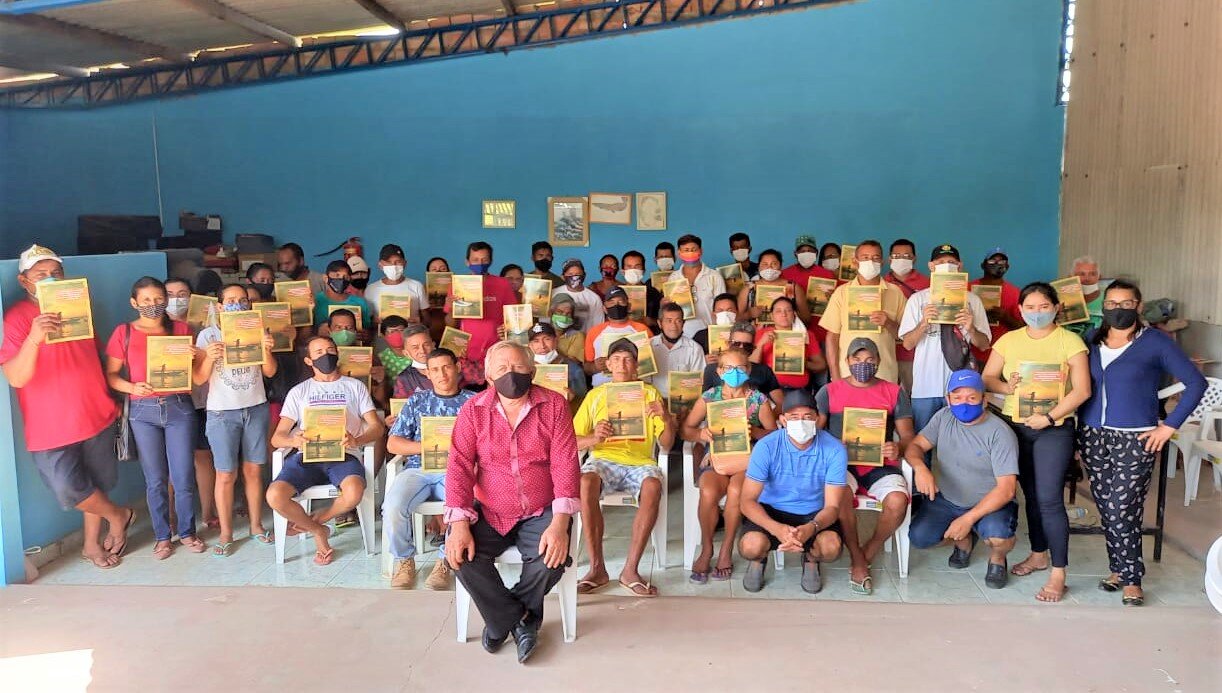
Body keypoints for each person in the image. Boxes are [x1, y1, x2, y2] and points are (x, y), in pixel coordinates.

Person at [444, 341, 580, 664]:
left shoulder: (554, 405)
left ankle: (500, 621)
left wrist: (560, 524)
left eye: (518, 367)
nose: (511, 374)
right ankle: (518, 621)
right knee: (459, 556)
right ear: (489, 377)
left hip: (540, 510)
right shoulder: (473, 411)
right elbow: (459, 466)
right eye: (502, 369)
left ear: (532, 371)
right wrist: (459, 525)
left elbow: (565, 463)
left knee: (552, 560)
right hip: (491, 510)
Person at [0, 246, 130, 568]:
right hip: (50, 425)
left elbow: (94, 357)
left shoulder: (78, 306)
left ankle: (90, 545)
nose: (49, 279)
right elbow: (16, 377)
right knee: (69, 489)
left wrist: (110, 398)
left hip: (95, 411)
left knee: (96, 485)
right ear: (24, 281)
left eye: (55, 273)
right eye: (40, 275)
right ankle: (120, 515)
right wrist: (34, 337)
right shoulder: (17, 318)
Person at [1078, 280, 1206, 606]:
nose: (1118, 309)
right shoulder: (1091, 340)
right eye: (1112, 303)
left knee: (1123, 507)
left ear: (1138, 305)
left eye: (1126, 303)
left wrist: (1169, 427)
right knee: (1107, 506)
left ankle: (1132, 578)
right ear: (1103, 307)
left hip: (1136, 436)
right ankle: (1118, 570)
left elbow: (1195, 383)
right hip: (1094, 433)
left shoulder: (1155, 342)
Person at [982, 282, 1091, 602]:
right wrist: (1007, 386)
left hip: (1054, 429)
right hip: (1017, 426)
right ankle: (1038, 553)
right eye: (1030, 307)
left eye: (1044, 307)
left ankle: (1059, 572)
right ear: (1020, 310)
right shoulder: (1009, 340)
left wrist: (1050, 416)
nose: (1037, 313)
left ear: (1057, 308)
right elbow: (988, 378)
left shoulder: (1070, 342)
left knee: (1049, 499)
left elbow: (1082, 390)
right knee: (1030, 495)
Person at [105, 277, 206, 559]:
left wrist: (198, 356)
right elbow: (111, 376)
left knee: (183, 475)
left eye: (159, 299)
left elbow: (197, 377)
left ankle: (187, 532)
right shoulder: (123, 332)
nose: (154, 305)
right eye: (147, 300)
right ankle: (162, 537)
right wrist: (132, 387)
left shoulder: (182, 329)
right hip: (142, 411)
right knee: (155, 479)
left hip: (179, 407)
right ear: (134, 303)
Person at [268, 335, 386, 565]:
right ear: (309, 361)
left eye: (330, 350)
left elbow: (377, 427)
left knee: (353, 493)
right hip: (307, 456)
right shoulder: (299, 391)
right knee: (275, 496)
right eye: (319, 352)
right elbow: (277, 437)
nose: (326, 355)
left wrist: (357, 439)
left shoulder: (355, 386)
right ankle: (319, 531)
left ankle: (316, 520)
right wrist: (294, 440)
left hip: (344, 455)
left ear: (337, 353)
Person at [573, 338, 675, 597]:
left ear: (636, 367)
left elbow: (666, 444)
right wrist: (593, 438)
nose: (622, 363)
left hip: (640, 463)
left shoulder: (649, 394)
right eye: (616, 359)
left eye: (628, 359)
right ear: (607, 364)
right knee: (585, 481)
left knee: (653, 486)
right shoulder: (596, 396)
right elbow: (571, 439)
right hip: (604, 458)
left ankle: (630, 570)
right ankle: (597, 568)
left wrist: (665, 418)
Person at [815, 338, 914, 594]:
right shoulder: (829, 391)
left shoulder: (893, 392)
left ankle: (868, 550)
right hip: (842, 463)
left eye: (870, 360)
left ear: (879, 362)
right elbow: (814, 434)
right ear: (847, 361)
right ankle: (858, 558)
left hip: (880, 463)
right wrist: (835, 445)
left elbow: (908, 437)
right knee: (841, 495)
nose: (863, 365)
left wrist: (898, 448)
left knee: (897, 500)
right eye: (857, 360)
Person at [906, 369, 1019, 589]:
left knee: (999, 539)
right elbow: (915, 446)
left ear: (984, 400)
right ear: (948, 400)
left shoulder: (1000, 433)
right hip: (947, 500)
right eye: (957, 398)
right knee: (919, 538)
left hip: (989, 504)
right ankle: (964, 541)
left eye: (971, 397)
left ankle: (997, 559)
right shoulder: (943, 417)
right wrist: (920, 468)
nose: (963, 403)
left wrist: (967, 519)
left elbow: (1007, 490)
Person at [194, 283, 279, 557]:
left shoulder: (258, 328)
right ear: (219, 306)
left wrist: (267, 348)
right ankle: (227, 533)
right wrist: (210, 358)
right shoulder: (207, 335)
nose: (237, 304)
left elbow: (270, 372)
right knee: (226, 474)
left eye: (242, 300)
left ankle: (256, 526)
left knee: (253, 471)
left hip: (255, 408)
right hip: (221, 413)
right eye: (230, 300)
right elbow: (198, 379)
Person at [683, 347, 778, 583]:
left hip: (747, 461)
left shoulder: (759, 400)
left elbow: (775, 436)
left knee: (736, 491)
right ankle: (706, 549)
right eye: (728, 368)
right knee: (708, 490)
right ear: (719, 370)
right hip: (716, 458)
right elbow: (685, 430)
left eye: (740, 368)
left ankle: (726, 550)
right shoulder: (709, 397)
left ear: (748, 370)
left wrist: (755, 431)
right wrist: (701, 434)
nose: (734, 372)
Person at [738, 389, 846, 593]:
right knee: (751, 546)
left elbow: (832, 507)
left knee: (831, 548)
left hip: (814, 512)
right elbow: (747, 501)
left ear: (817, 419)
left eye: (807, 417)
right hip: (771, 510)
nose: (801, 422)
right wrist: (776, 528)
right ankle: (760, 559)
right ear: (783, 420)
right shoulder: (766, 446)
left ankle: (811, 558)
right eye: (794, 417)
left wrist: (811, 528)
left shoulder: (834, 449)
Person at [384, 347, 474, 590]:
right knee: (392, 506)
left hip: (456, 471)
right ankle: (404, 560)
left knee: (462, 507)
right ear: (428, 374)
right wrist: (426, 446)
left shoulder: (473, 403)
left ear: (457, 368)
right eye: (434, 369)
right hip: (418, 469)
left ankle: (445, 560)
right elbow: (393, 443)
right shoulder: (418, 400)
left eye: (446, 367)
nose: (442, 374)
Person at [898, 244, 992, 437]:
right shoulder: (918, 300)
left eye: (951, 262)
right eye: (941, 262)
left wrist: (970, 328)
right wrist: (924, 323)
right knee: (922, 441)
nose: (946, 266)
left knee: (962, 440)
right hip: (925, 386)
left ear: (960, 266)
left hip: (962, 388)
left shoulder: (972, 301)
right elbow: (907, 343)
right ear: (931, 266)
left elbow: (984, 344)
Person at [165, 276, 217, 532]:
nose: (176, 300)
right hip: (171, 400)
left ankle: (208, 511)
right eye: (170, 294)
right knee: (172, 460)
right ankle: (171, 514)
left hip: (202, 399)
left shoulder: (206, 328)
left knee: (203, 456)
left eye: (182, 293)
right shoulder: (158, 329)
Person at [819, 240, 907, 383]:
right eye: (865, 258)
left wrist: (888, 323)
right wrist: (835, 375)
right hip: (847, 375)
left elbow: (905, 337)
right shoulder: (842, 293)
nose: (870, 262)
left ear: (882, 262)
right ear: (855, 262)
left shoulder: (895, 292)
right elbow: (832, 337)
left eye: (875, 258)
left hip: (884, 375)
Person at [444, 241, 520, 374]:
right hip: (465, 351)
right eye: (475, 260)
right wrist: (451, 308)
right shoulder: (456, 285)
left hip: (496, 350)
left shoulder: (502, 284)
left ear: (491, 261)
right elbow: (450, 324)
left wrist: (507, 329)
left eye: (484, 260)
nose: (480, 263)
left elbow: (514, 318)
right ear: (467, 262)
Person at [751, 296, 826, 394]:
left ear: (794, 314)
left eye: (788, 310)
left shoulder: (805, 334)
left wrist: (802, 363)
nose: (784, 314)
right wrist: (761, 344)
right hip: (770, 389)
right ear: (772, 316)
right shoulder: (762, 334)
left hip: (799, 390)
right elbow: (752, 365)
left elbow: (821, 365)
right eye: (778, 311)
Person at [700, 322, 784, 409]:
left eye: (747, 345)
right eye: (736, 344)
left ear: (753, 348)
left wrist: (766, 418)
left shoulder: (764, 371)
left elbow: (781, 404)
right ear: (728, 344)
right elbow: (705, 403)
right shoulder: (711, 369)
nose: (741, 348)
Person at [884, 238, 929, 392]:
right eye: (896, 256)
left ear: (914, 259)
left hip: (914, 354)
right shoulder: (882, 283)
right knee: (887, 399)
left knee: (913, 397)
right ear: (889, 259)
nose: (901, 260)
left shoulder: (928, 284)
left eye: (906, 256)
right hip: (886, 353)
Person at [584, 286, 650, 386]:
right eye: (612, 302)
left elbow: (652, 364)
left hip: (634, 389)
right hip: (602, 389)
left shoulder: (643, 330)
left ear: (628, 306)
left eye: (621, 302)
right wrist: (595, 367)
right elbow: (586, 367)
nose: (616, 305)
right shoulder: (594, 332)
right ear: (605, 308)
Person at [969, 247, 1024, 364]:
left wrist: (1006, 318)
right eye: (992, 261)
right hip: (969, 355)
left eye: (1002, 261)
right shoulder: (967, 289)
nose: (997, 264)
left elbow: (1024, 329)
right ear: (983, 265)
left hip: (1000, 357)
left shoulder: (1015, 293)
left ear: (1007, 266)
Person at [667, 234, 727, 339]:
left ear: (700, 251)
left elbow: (723, 309)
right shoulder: (674, 278)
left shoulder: (714, 276)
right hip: (682, 335)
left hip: (709, 334)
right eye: (686, 250)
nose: (690, 253)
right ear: (679, 253)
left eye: (693, 249)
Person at [648, 302, 706, 400]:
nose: (674, 326)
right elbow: (645, 382)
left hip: (683, 403)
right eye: (669, 321)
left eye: (678, 321)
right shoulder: (649, 346)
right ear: (660, 323)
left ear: (683, 323)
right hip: (654, 402)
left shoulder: (695, 349)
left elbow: (698, 383)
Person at [740, 248, 812, 325]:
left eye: (774, 264)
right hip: (756, 335)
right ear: (759, 267)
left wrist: (789, 312)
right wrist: (749, 314)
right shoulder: (748, 288)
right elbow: (737, 318)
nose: (769, 268)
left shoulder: (794, 288)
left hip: (785, 334)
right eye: (765, 264)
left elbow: (806, 319)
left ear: (780, 266)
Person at [527, 322, 587, 413]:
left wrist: (573, 399)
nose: (542, 346)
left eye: (547, 339)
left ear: (556, 341)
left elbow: (584, 404)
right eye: (536, 341)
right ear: (530, 345)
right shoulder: (525, 369)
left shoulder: (574, 369)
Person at [363, 243, 427, 326]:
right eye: (388, 262)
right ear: (380, 265)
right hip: (382, 338)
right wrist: (373, 322)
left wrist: (419, 321)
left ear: (405, 263)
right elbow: (367, 322)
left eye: (398, 262)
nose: (393, 266)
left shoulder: (417, 286)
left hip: (410, 337)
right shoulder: (371, 289)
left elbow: (427, 321)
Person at [313, 259, 372, 333]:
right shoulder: (315, 301)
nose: (341, 279)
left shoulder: (360, 303)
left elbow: (367, 330)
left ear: (349, 279)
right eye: (337, 275)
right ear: (325, 278)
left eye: (345, 277)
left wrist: (365, 335)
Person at [552, 258, 606, 331]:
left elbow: (598, 325)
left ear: (584, 275)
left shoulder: (594, 298)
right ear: (563, 276)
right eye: (570, 274)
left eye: (577, 274)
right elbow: (545, 319)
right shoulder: (554, 293)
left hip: (585, 339)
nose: (574, 277)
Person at [392, 323, 439, 400]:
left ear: (433, 345)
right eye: (415, 347)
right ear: (406, 353)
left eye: (426, 345)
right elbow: (399, 407)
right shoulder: (404, 378)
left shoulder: (448, 368)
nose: (422, 350)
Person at [621, 250, 663, 330]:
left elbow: (663, 320)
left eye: (637, 266)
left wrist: (651, 321)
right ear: (622, 271)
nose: (633, 270)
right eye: (629, 266)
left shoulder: (653, 293)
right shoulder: (617, 293)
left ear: (643, 271)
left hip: (648, 336)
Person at [692, 292, 740, 360]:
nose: (725, 314)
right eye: (720, 311)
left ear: (737, 313)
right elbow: (691, 360)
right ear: (713, 314)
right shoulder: (701, 336)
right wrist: (703, 361)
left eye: (729, 310)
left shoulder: (745, 335)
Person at [1069, 255, 1105, 333]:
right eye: (1082, 274)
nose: (1087, 279)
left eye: (1092, 274)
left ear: (1100, 277)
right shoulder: (1062, 299)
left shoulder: (1108, 299)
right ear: (1071, 277)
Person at [548, 293, 586, 363]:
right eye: (560, 312)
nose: (564, 317)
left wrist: (551, 352)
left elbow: (575, 363)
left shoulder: (576, 336)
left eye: (568, 314)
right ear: (551, 313)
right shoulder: (542, 332)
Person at [423, 256, 452, 343]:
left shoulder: (457, 288)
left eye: (443, 269)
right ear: (428, 273)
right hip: (431, 335)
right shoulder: (422, 289)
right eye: (434, 269)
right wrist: (426, 309)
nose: (438, 272)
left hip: (452, 334)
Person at [377, 315, 412, 383]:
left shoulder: (416, 353)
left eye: (401, 330)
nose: (397, 334)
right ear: (383, 336)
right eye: (391, 331)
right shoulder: (381, 358)